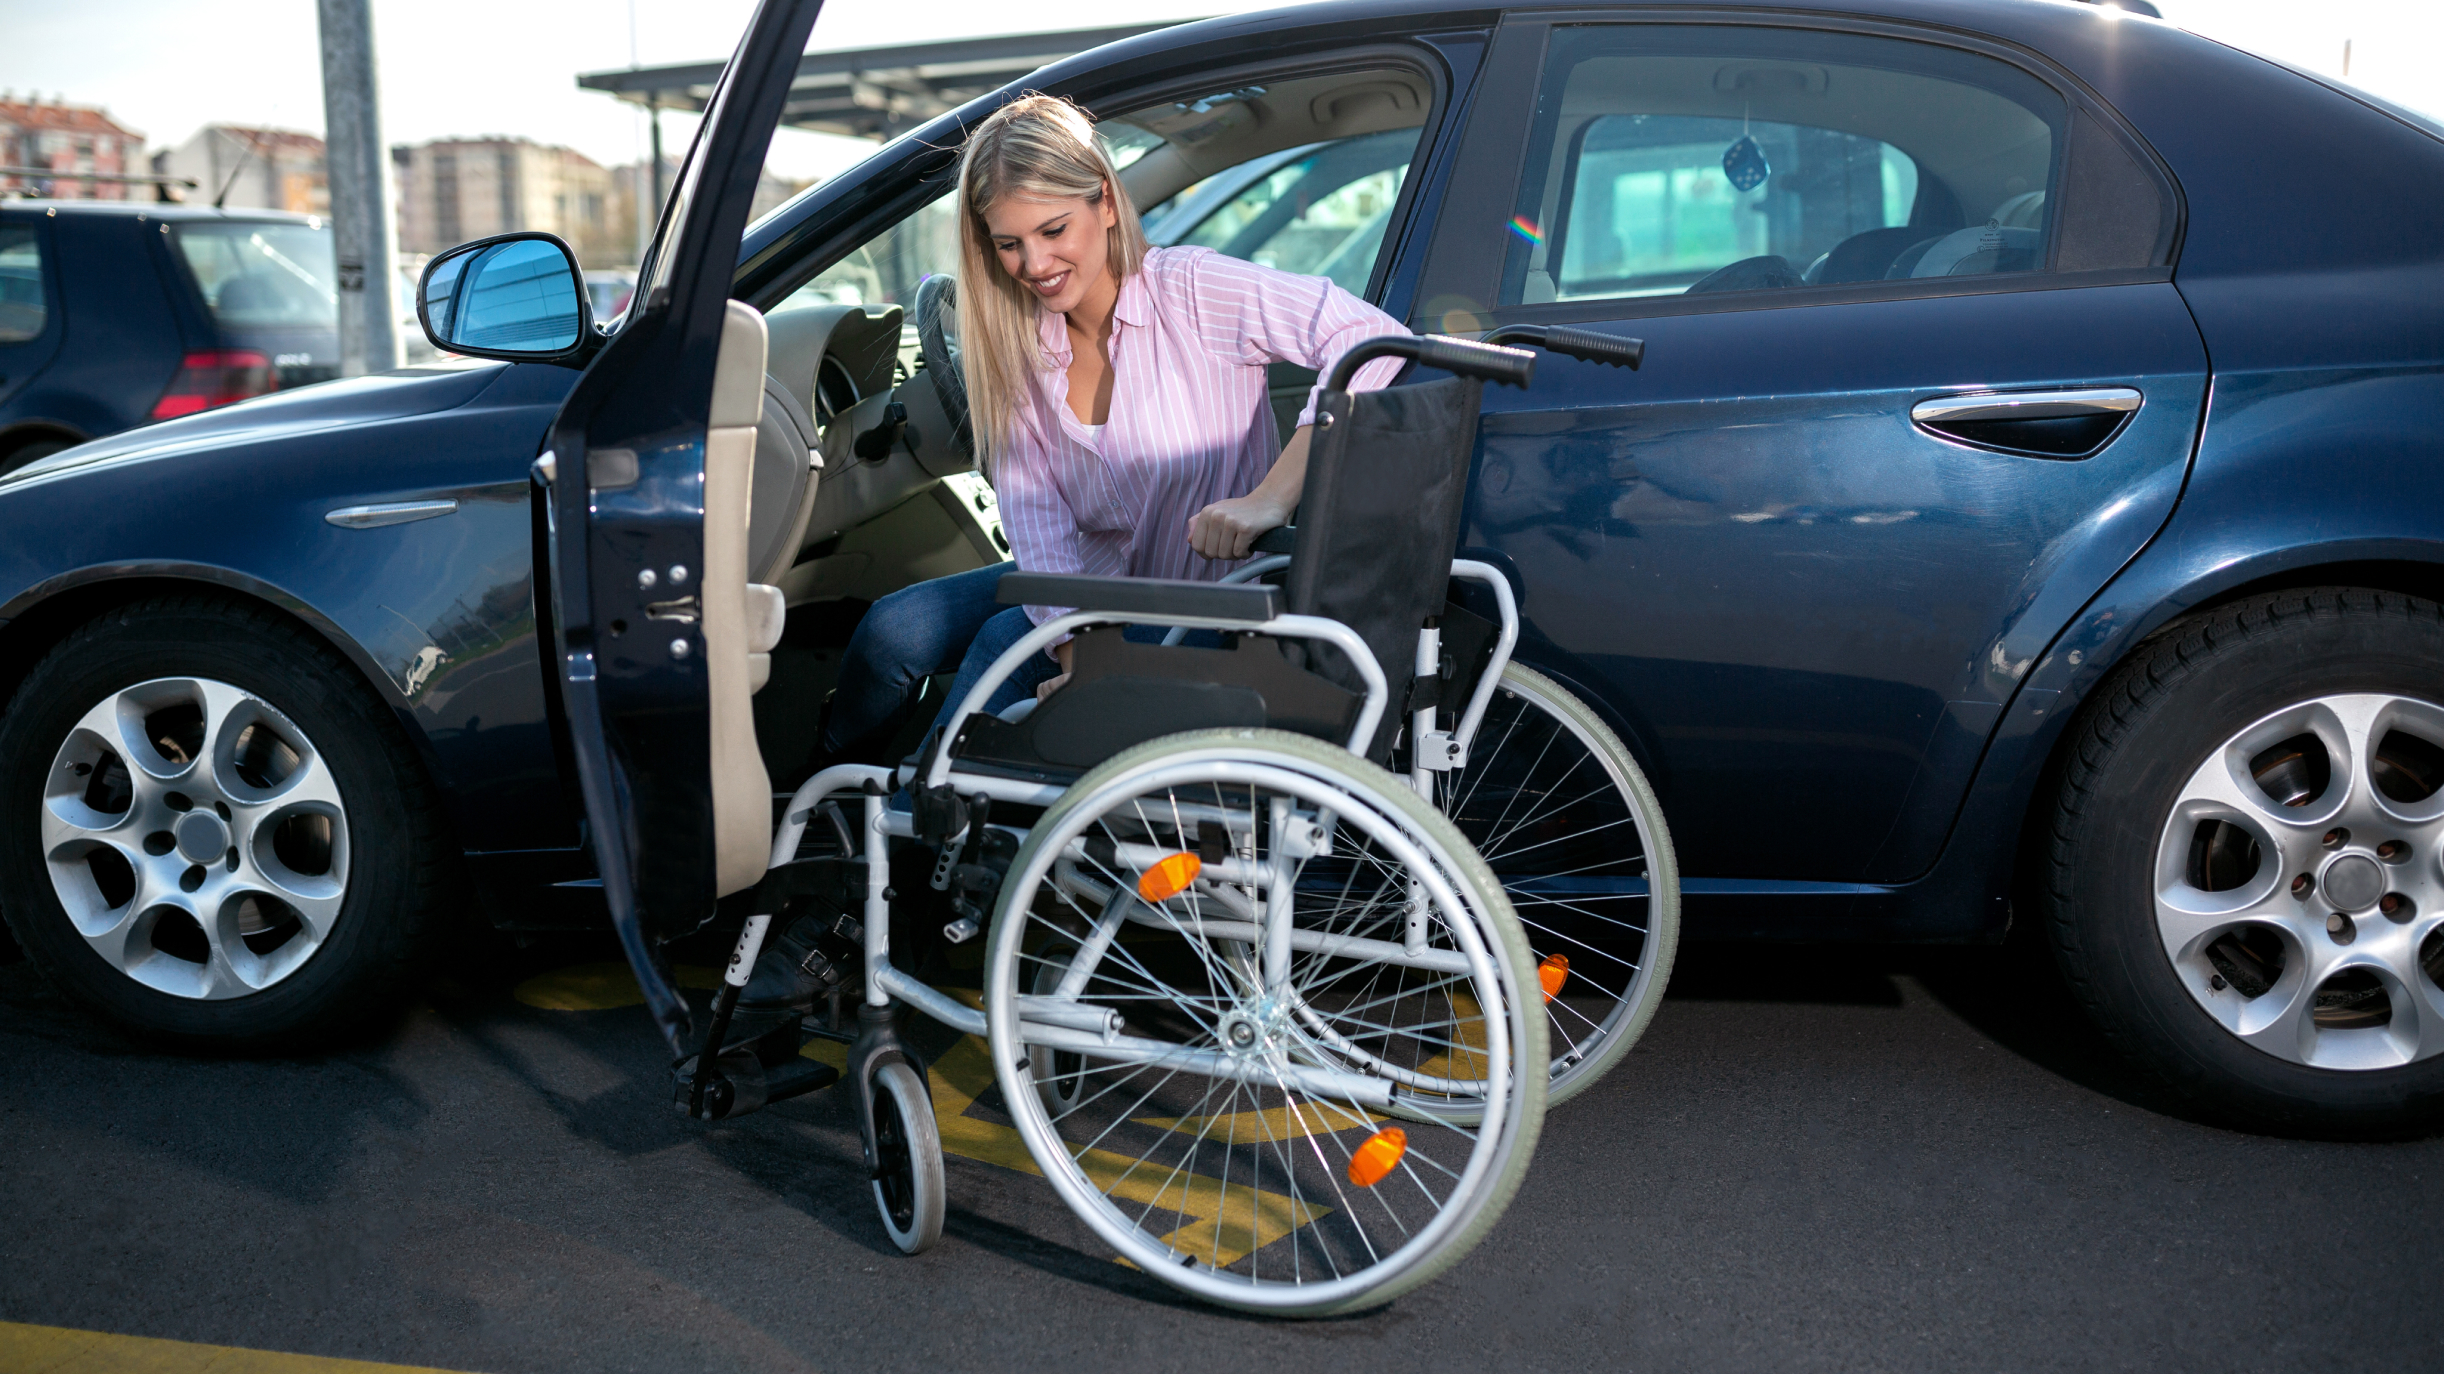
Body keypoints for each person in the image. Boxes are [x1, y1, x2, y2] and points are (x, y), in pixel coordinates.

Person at [742, 92, 1404, 1014]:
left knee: (982, 656)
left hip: (1199, 602)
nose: (1035, 264)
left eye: (1052, 230)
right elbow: (1044, 540)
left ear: (1103, 199)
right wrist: (1070, 654)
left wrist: (1271, 493)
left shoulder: (1192, 291)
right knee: (897, 628)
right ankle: (837, 816)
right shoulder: (1015, 345)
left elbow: (1374, 343)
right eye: (1007, 245)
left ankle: (886, 895)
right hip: (1085, 585)